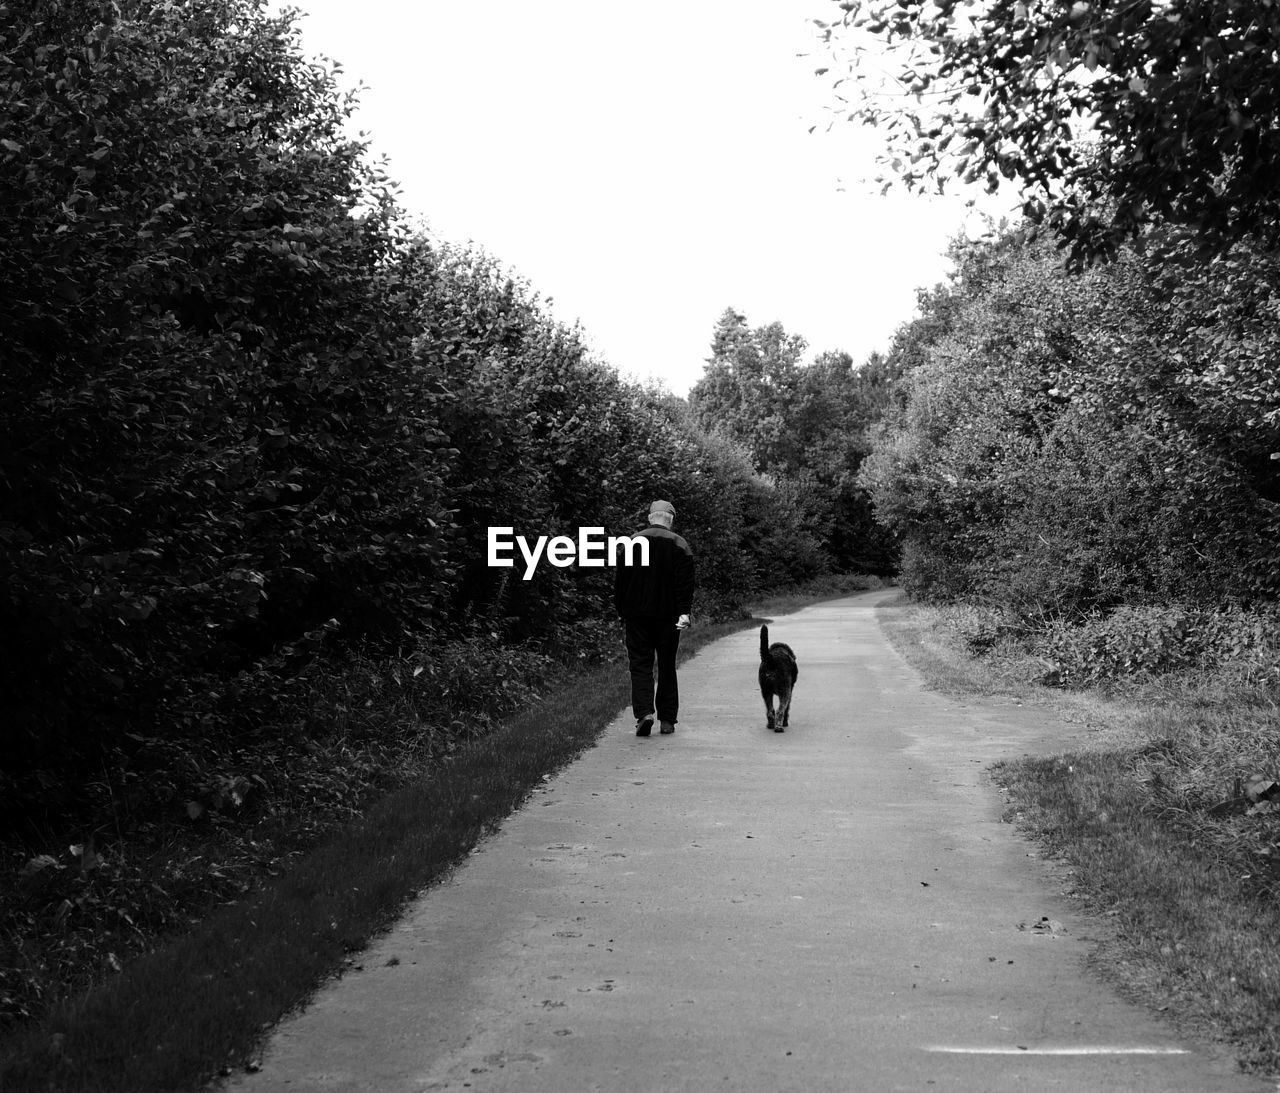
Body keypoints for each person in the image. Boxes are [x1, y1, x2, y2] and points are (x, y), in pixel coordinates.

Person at [613, 500, 696, 736]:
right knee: (667, 665)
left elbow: (621, 582)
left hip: (637, 616)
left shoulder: (632, 542)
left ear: (651, 518)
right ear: (670, 520)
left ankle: (644, 713)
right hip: (669, 617)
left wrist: (621, 610)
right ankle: (667, 719)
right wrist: (684, 613)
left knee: (640, 664)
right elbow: (685, 586)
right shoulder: (680, 544)